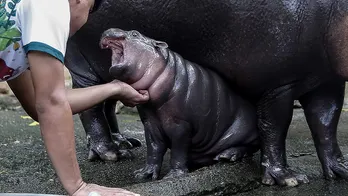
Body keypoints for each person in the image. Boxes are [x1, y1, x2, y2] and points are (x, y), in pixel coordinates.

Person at [0, 0, 148, 195]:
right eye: (89, 11)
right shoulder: (52, 4)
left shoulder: (19, 31)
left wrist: (115, 89)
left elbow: (41, 103)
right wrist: (79, 187)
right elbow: (51, 103)